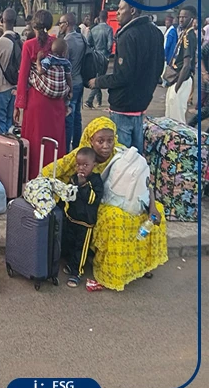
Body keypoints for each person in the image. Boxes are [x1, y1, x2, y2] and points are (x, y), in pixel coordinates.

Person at [40, 117, 167, 292]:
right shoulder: (81, 156)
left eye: (110, 140)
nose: (106, 146)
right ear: (91, 140)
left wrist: (152, 206)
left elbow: (144, 183)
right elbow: (49, 171)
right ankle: (111, 269)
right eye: (100, 141)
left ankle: (139, 265)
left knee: (154, 212)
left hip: (123, 200)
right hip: (91, 205)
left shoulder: (121, 154)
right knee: (116, 220)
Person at [87, 0, 165, 150]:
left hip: (123, 106)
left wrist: (97, 82)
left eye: (121, 9)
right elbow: (159, 68)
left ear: (133, 11)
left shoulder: (128, 35)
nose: (117, 12)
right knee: (136, 157)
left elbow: (123, 76)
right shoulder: (156, 32)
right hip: (142, 104)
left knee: (121, 156)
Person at [14, 10, 67, 179]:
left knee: (35, 142)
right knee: (55, 141)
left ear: (33, 25)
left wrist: (18, 105)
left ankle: (35, 178)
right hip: (56, 101)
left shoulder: (29, 45)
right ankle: (55, 176)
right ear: (50, 25)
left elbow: (23, 77)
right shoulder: (57, 43)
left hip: (36, 101)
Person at [59, 147, 104, 287]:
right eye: (79, 165)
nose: (81, 168)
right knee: (70, 244)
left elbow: (92, 199)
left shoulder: (96, 181)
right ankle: (71, 264)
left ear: (93, 165)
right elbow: (68, 196)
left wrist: (83, 185)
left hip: (85, 224)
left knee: (81, 249)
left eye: (85, 165)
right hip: (72, 219)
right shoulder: (73, 178)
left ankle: (76, 273)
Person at [163, 5, 198, 121]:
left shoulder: (188, 36)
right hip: (176, 78)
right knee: (170, 115)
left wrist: (176, 87)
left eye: (185, 17)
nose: (181, 20)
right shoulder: (184, 33)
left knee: (177, 118)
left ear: (192, 19)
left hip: (182, 79)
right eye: (180, 17)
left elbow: (187, 64)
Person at [59, 13, 88, 151]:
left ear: (66, 24)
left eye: (60, 23)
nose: (59, 26)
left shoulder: (66, 42)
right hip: (80, 81)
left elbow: (64, 66)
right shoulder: (81, 37)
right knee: (77, 116)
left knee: (68, 117)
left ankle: (66, 149)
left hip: (70, 84)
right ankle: (77, 146)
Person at [85, 10, 114, 108]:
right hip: (104, 57)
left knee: (98, 76)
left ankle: (99, 100)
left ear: (99, 17)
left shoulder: (93, 29)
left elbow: (88, 43)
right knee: (99, 78)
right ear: (107, 18)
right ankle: (89, 100)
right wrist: (108, 52)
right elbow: (110, 45)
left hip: (95, 56)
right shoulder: (109, 29)